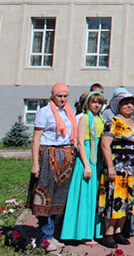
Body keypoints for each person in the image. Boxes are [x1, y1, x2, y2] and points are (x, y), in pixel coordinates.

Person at [28, 82, 77, 252]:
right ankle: (45, 236)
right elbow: (36, 139)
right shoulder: (44, 112)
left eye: (65, 96)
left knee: (59, 197)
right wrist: (35, 163)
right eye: (59, 96)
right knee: (45, 196)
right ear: (53, 96)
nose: (62, 99)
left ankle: (53, 233)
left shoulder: (70, 112)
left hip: (66, 156)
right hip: (48, 156)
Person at [98, 92, 134, 249]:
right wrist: (110, 166)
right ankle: (108, 233)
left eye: (131, 103)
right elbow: (105, 145)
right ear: (119, 106)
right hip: (117, 166)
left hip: (132, 168)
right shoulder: (112, 122)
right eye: (126, 103)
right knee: (114, 200)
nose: (129, 106)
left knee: (127, 200)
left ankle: (119, 231)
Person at [62, 91, 105, 245]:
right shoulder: (85, 119)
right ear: (88, 103)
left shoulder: (100, 118)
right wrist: (87, 165)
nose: (97, 105)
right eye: (94, 102)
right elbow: (80, 142)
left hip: (98, 155)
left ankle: (94, 231)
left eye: (99, 102)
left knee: (95, 196)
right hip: (87, 156)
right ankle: (83, 233)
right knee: (85, 196)